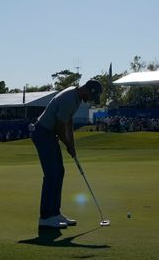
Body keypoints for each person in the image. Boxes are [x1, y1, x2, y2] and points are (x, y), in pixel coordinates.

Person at [31, 80, 104, 230]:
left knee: (59, 172)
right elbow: (59, 127)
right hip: (43, 133)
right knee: (51, 174)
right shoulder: (70, 99)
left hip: (49, 134)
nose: (91, 100)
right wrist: (67, 145)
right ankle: (45, 217)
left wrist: (73, 145)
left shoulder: (76, 98)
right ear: (88, 90)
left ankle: (55, 214)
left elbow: (68, 123)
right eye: (92, 96)